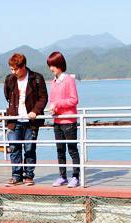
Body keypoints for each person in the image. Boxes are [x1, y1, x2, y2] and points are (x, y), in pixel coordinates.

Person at [3, 53, 48, 186]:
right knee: (14, 147)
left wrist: (35, 111)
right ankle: (16, 176)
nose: (13, 72)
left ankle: (29, 175)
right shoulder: (10, 80)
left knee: (30, 148)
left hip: (30, 121)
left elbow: (43, 97)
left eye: (15, 69)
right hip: (14, 120)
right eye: (11, 69)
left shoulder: (36, 78)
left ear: (23, 67)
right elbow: (7, 96)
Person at [45, 52, 81, 188]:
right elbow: (52, 100)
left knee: (72, 150)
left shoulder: (69, 80)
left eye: (53, 65)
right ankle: (62, 176)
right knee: (60, 150)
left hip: (69, 121)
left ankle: (76, 177)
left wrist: (57, 104)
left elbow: (74, 100)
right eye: (50, 65)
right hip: (57, 121)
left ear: (60, 65)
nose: (51, 68)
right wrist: (52, 108)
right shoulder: (53, 82)